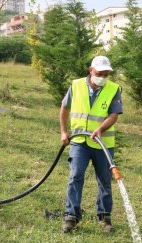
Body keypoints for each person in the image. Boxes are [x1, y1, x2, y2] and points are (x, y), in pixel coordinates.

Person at [59, 56, 123, 233]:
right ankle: (71, 216)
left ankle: (104, 218)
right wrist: (64, 132)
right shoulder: (77, 85)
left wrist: (101, 129)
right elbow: (64, 108)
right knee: (76, 176)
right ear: (91, 71)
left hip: (103, 143)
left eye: (106, 74)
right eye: (100, 73)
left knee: (104, 180)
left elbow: (114, 115)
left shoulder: (114, 89)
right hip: (80, 141)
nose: (103, 77)